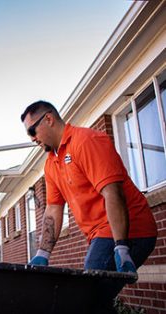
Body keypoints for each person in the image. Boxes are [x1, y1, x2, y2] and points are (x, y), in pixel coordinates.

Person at [21, 100, 157, 312]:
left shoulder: (86, 141)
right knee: (94, 301)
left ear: (48, 119)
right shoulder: (51, 163)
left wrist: (121, 246)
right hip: (100, 234)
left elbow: (112, 192)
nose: (32, 139)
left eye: (32, 130)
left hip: (131, 229)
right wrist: (43, 253)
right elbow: (53, 209)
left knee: (86, 298)